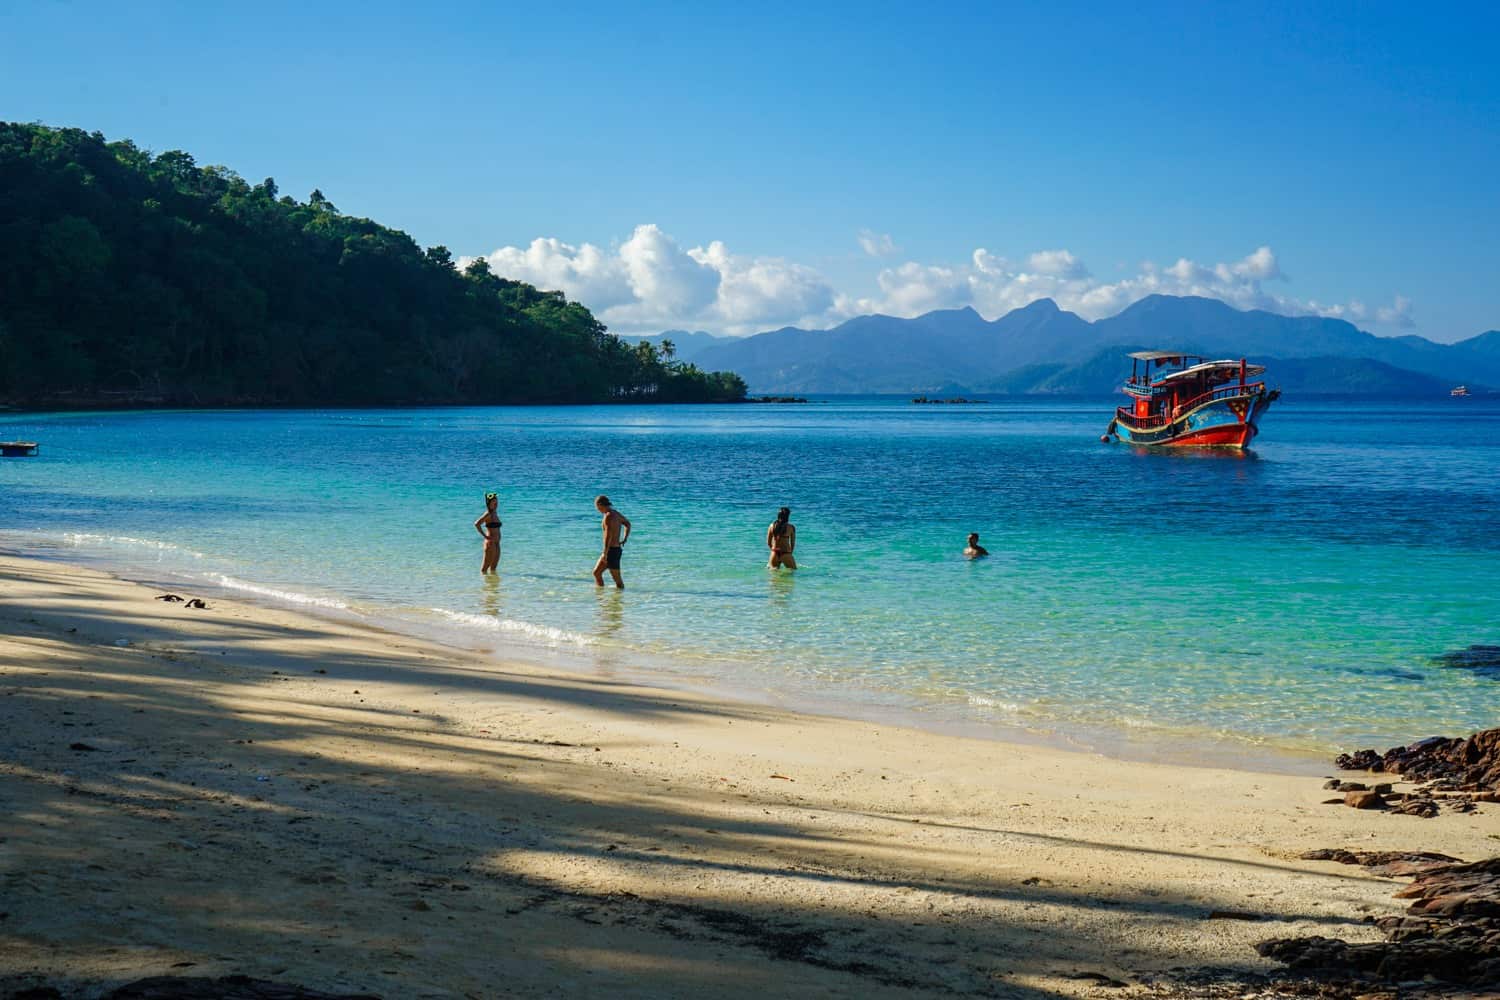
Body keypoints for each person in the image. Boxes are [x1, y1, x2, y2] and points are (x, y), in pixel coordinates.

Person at [592, 495, 632, 589]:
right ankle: (602, 596)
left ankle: (615, 600)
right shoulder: (616, 513)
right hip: (616, 549)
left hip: (611, 551)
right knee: (597, 573)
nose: (597, 509)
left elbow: (608, 536)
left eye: (597, 507)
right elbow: (628, 524)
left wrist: (605, 553)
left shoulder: (608, 517)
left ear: (600, 505)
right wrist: (625, 538)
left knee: (617, 580)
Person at [474, 492, 502, 573]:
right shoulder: (488, 514)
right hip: (491, 543)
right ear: (489, 502)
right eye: (494, 502)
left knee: (493, 568)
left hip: (497, 543)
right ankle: (481, 583)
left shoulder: (494, 513)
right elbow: (477, 524)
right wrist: (485, 536)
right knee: (485, 568)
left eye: (497, 501)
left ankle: (492, 585)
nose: (496, 503)